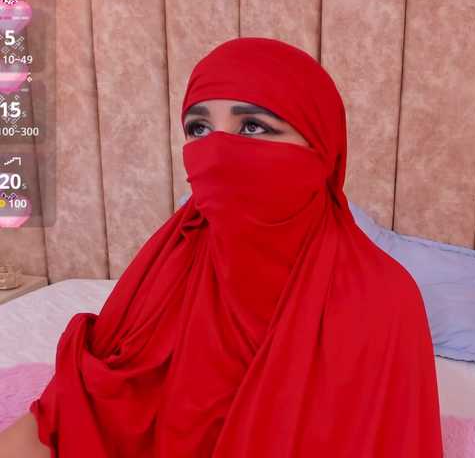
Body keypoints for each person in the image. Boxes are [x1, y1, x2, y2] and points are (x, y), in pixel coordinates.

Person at [0, 37, 444, 457]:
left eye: (252, 126)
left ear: (322, 147)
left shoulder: (384, 300)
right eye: (199, 128)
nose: (215, 151)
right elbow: (69, 413)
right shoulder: (168, 267)